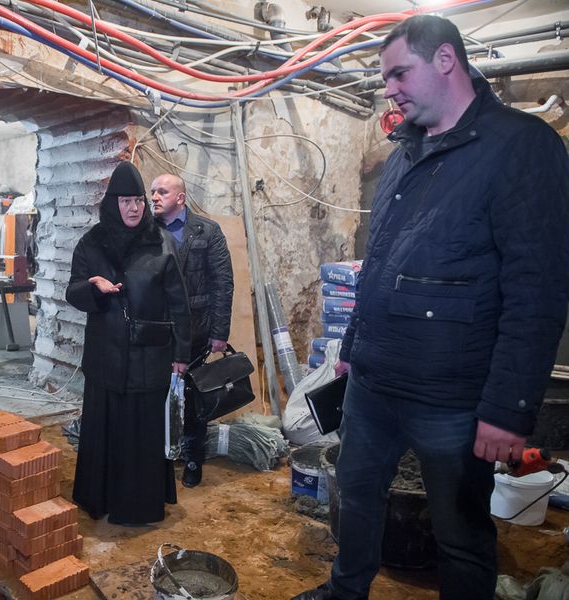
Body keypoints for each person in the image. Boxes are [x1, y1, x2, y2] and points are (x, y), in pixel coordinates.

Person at [293, 14, 569, 600]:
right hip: (375, 383)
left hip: (453, 396)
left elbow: (537, 289)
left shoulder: (520, 146)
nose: (389, 89)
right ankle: (346, 592)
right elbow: (380, 263)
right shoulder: (405, 154)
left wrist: (508, 409)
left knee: (460, 533)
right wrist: (352, 347)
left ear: (445, 60)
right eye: (384, 78)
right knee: (356, 498)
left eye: (399, 73)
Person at [67, 160, 191, 525]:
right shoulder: (92, 243)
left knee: (141, 433)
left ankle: (139, 506)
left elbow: (179, 303)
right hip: (105, 356)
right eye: (126, 201)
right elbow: (72, 291)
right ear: (114, 203)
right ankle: (100, 499)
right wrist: (93, 288)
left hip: (149, 356)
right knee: (105, 430)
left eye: (138, 200)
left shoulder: (161, 243)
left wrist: (181, 353)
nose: (134, 208)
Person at [150, 173, 233, 488]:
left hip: (197, 330)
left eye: (162, 192)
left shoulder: (207, 232)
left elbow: (223, 283)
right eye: (153, 192)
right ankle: (158, 460)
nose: (154, 197)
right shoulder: (147, 231)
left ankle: (193, 460)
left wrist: (219, 332)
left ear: (180, 198)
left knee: (194, 399)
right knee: (157, 395)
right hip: (158, 330)